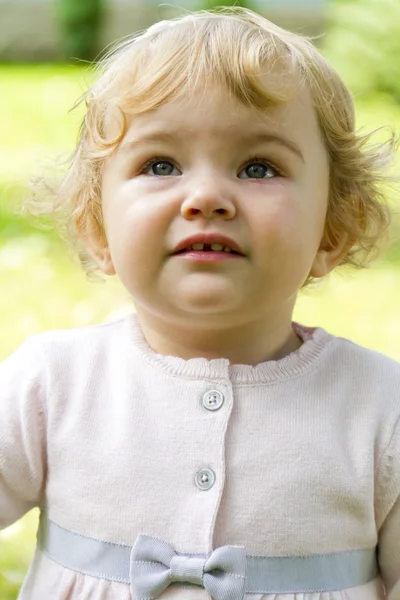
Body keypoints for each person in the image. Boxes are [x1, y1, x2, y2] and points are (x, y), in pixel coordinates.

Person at [1, 6, 399, 600]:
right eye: (160, 165)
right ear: (96, 228)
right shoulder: (53, 385)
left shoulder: (378, 406)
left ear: (332, 230)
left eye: (258, 167)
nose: (207, 197)